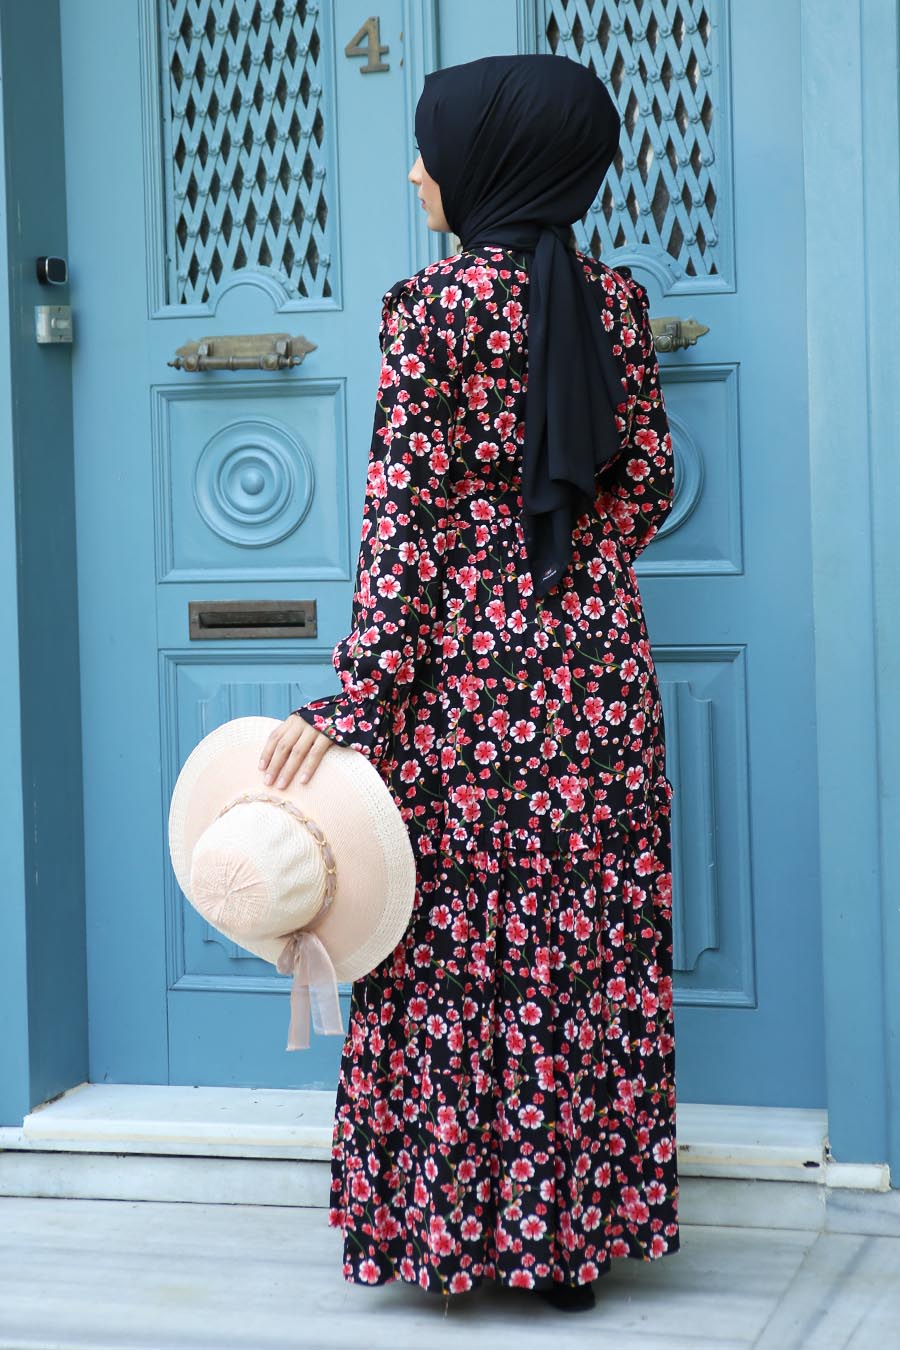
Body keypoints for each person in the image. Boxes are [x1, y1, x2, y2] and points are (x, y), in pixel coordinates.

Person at [257, 53, 679, 1313]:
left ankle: (453, 1245)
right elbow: (644, 489)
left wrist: (351, 703)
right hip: (598, 679)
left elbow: (402, 525)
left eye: (430, 148)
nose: (414, 171)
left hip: (462, 693)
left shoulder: (430, 311)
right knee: (578, 958)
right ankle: (571, 1251)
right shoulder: (617, 304)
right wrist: (571, 567)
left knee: (451, 962)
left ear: (492, 162)